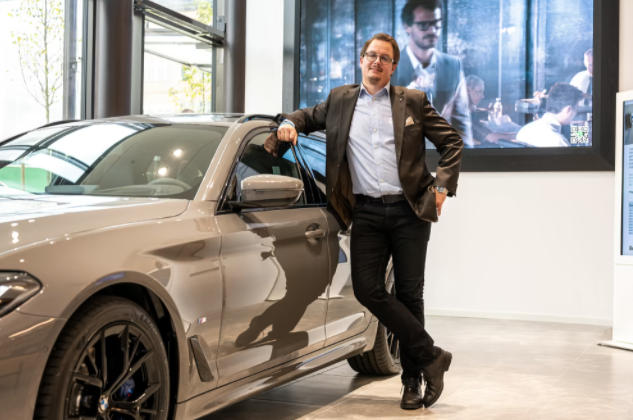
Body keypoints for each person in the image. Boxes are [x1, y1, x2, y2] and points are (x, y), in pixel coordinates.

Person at [265, 32, 463, 410]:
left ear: (393, 67)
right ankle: (431, 355)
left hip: (409, 211)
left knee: (409, 295)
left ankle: (411, 381)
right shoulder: (341, 100)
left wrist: (441, 188)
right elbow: (305, 117)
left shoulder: (413, 101)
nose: (377, 62)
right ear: (361, 61)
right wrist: (288, 122)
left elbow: (452, 142)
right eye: (371, 55)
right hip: (367, 211)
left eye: (384, 58)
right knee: (366, 289)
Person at [392, 0, 473, 146]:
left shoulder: (453, 66)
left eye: (437, 24)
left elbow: (462, 125)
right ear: (407, 26)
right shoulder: (388, 68)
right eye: (424, 25)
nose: (432, 31)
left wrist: (466, 158)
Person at [443, 75, 515, 145]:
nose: (483, 96)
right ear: (468, 90)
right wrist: (516, 136)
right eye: (480, 91)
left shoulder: (457, 106)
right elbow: (491, 137)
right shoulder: (459, 112)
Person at [516, 83, 584, 147]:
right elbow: (581, 151)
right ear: (568, 110)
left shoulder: (523, 130)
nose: (575, 113)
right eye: (576, 108)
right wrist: (582, 133)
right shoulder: (559, 142)